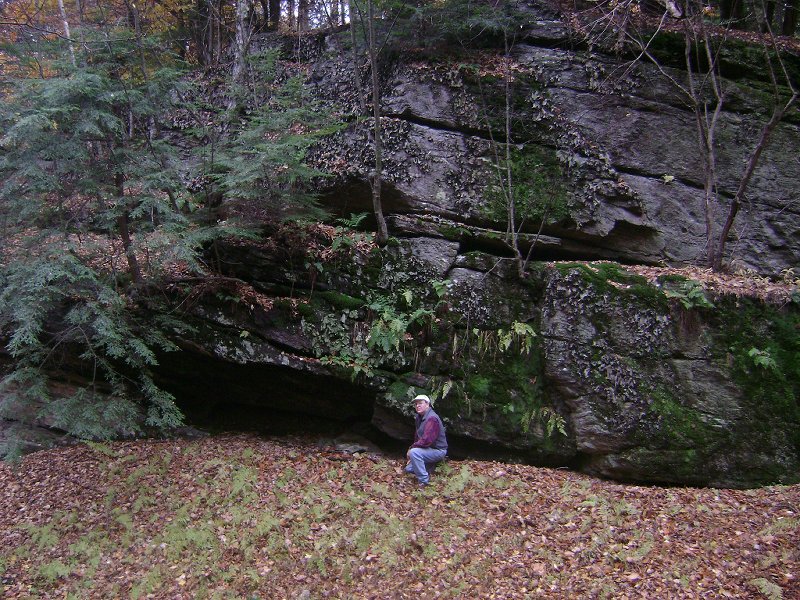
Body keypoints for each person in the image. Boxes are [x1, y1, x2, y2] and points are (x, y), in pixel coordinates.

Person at [404, 394, 448, 486]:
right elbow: (417, 436)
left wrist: (411, 449)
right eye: (416, 404)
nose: (417, 406)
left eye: (420, 403)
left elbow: (427, 440)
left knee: (414, 453)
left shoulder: (432, 418)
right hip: (427, 449)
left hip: (438, 450)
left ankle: (424, 481)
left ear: (427, 404)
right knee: (408, 469)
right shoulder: (419, 417)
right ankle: (430, 466)